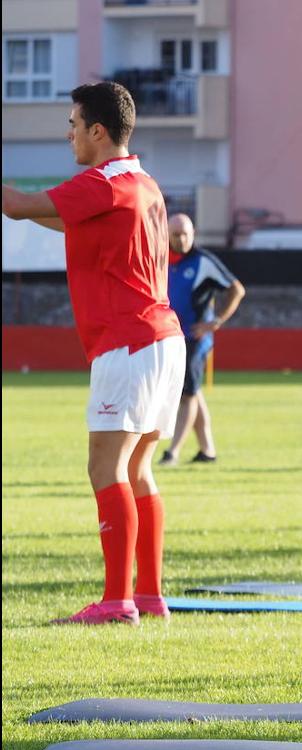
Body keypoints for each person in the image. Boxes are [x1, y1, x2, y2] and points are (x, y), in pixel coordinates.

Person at [2, 82, 185, 625]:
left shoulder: (101, 182)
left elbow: (14, 206)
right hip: (162, 340)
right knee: (139, 467)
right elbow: (58, 217)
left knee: (104, 468)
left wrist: (18, 201)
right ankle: (148, 595)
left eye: (74, 124)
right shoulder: (140, 182)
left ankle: (116, 603)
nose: (69, 134)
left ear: (97, 131)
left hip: (127, 344)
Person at [157, 213, 245, 466]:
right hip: (171, 336)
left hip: (195, 338)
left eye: (185, 234)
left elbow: (236, 289)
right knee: (192, 393)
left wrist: (215, 321)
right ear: (167, 234)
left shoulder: (204, 261)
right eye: (176, 235)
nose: (181, 239)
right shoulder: (159, 257)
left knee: (186, 395)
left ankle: (172, 452)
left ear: (193, 233)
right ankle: (207, 450)